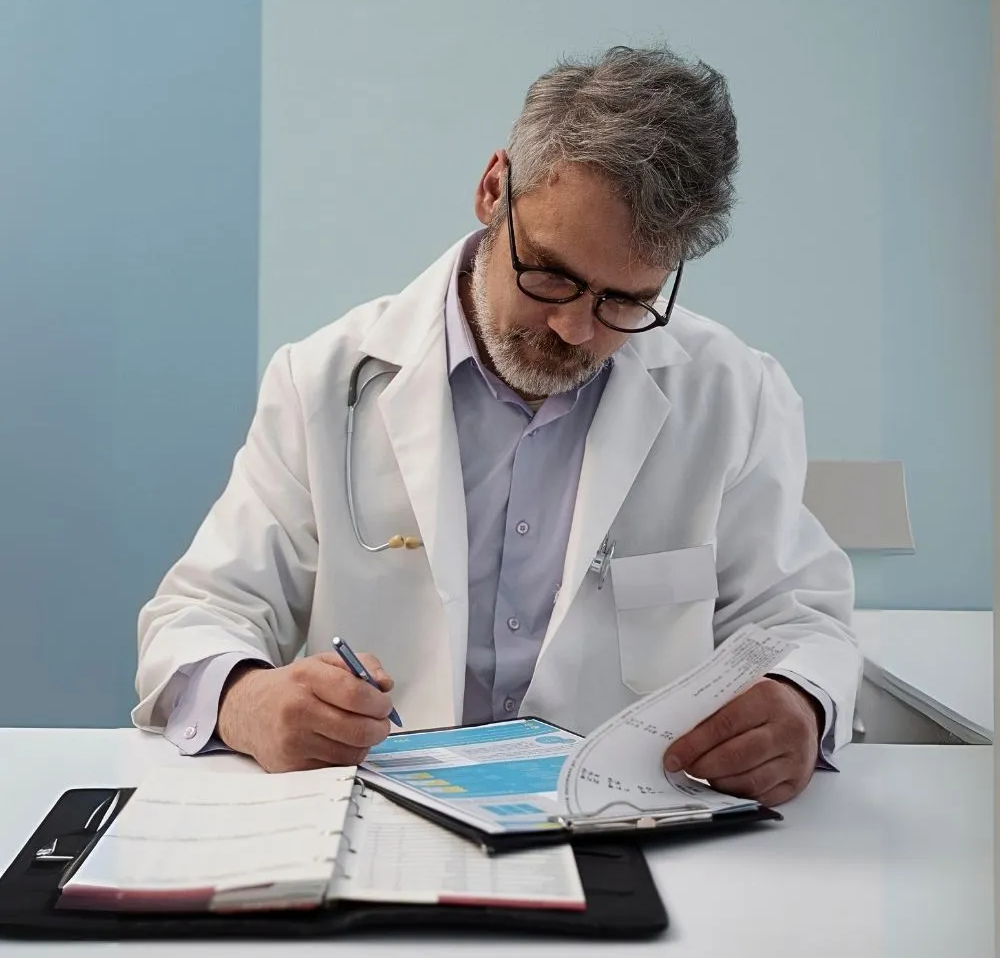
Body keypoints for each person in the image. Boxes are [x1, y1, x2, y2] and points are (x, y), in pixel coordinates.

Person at [133, 45, 861, 808]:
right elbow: (199, 613)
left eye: (624, 301)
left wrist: (799, 702)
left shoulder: (733, 394)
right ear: (492, 191)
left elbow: (798, 618)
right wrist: (250, 703)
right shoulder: (322, 381)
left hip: (629, 829)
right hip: (377, 816)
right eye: (551, 273)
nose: (576, 327)